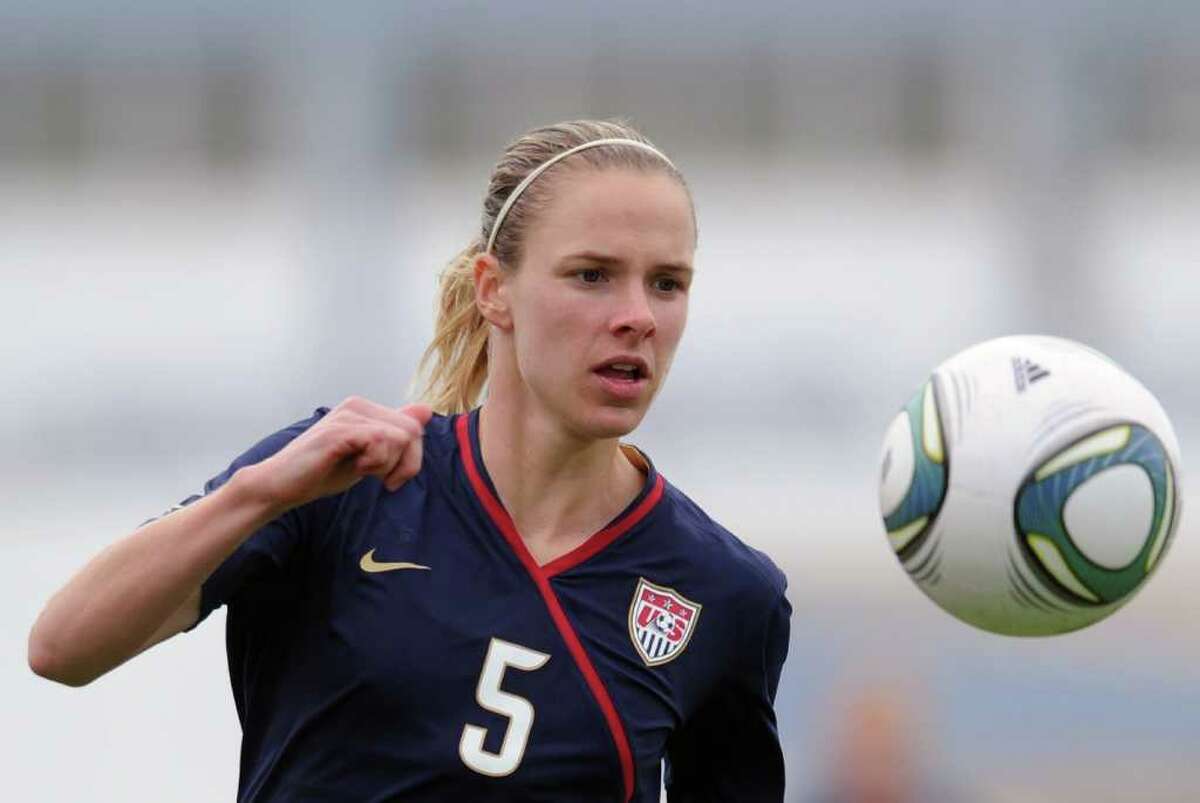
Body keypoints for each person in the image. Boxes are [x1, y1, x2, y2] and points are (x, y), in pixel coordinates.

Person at [28, 119, 792, 802]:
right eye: (592, 275)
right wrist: (259, 494)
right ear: (495, 290)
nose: (637, 316)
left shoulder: (724, 595)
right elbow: (62, 646)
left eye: (668, 283)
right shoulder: (341, 483)